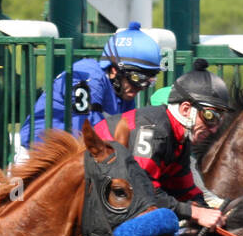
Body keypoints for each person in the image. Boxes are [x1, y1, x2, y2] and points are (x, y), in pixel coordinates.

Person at [57, 59, 232, 236]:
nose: (214, 127)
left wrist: (210, 213)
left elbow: (184, 187)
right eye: (210, 116)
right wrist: (194, 212)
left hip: (108, 192)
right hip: (85, 192)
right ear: (186, 108)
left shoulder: (179, 137)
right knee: (146, 222)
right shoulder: (155, 131)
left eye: (220, 119)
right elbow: (142, 196)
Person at [18, 21, 163, 148]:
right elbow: (83, 130)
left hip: (72, 154)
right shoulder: (88, 74)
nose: (140, 88)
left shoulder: (124, 93)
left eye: (148, 81)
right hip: (40, 152)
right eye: (136, 78)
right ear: (114, 69)